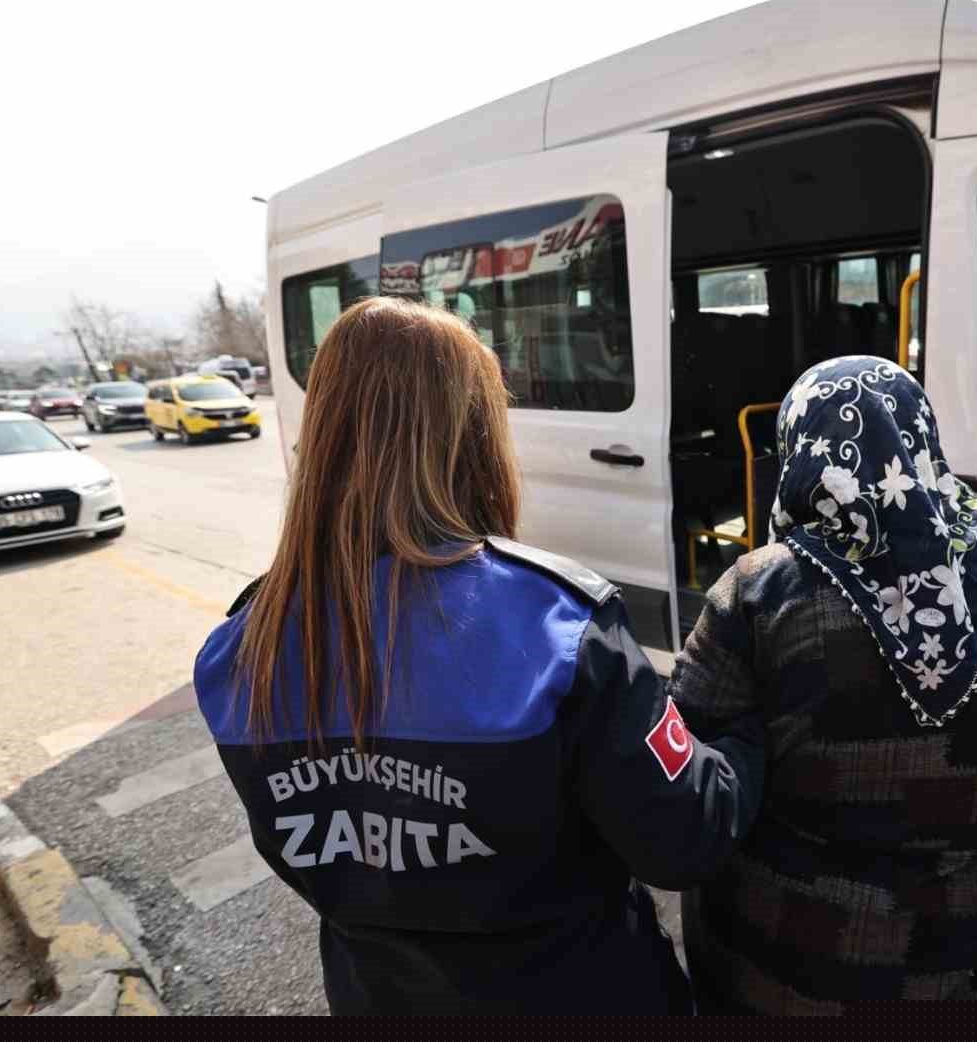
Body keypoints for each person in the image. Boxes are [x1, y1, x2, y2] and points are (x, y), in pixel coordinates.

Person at [192, 296, 764, 1015]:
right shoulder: (556, 622)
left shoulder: (242, 645)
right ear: (473, 435)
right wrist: (742, 737)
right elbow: (684, 839)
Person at [671, 355, 977, 1010]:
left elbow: (692, 784)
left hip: (797, 964)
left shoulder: (757, 592)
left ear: (800, 452)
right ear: (921, 441)